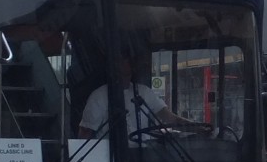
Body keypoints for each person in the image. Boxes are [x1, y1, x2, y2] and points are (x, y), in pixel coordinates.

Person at [79, 50, 208, 141]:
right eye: (119, 72)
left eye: (126, 73)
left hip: (144, 156)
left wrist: (197, 128)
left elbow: (170, 118)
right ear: (112, 68)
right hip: (112, 161)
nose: (122, 78)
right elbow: (85, 134)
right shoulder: (99, 96)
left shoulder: (144, 92)